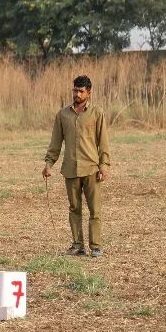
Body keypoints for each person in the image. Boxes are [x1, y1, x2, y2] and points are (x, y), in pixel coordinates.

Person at [42, 75, 111, 257]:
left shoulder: (97, 113)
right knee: (74, 209)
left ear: (89, 93)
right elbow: (55, 143)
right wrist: (49, 164)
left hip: (91, 169)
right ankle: (77, 245)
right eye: (75, 90)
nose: (77, 94)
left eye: (81, 91)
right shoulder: (63, 115)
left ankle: (95, 246)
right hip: (70, 170)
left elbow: (103, 142)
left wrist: (104, 165)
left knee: (95, 210)